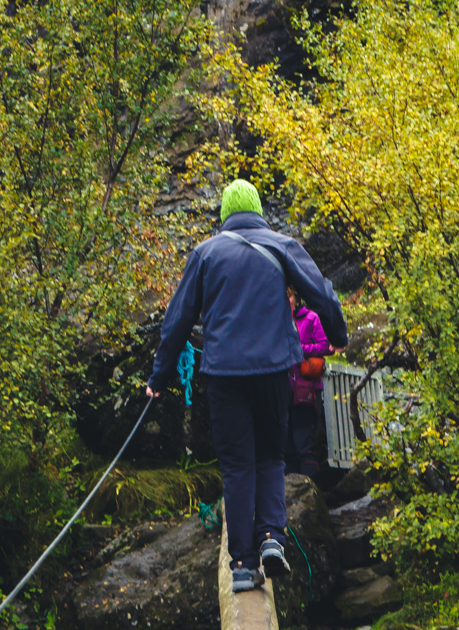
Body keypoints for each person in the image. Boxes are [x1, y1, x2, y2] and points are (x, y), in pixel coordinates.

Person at [147, 180, 347, 593]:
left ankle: (242, 565)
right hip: (274, 370)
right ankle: (272, 537)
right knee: (271, 456)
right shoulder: (282, 246)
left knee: (237, 465)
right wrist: (338, 334)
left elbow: (177, 320)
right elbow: (322, 294)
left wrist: (159, 378)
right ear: (258, 210)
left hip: (225, 374)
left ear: (224, 214)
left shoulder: (205, 254)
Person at [288, 287, 337, 478]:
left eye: (289, 297)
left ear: (297, 297)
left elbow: (326, 346)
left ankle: (309, 489)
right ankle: (290, 492)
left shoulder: (310, 318)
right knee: (286, 447)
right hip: (283, 390)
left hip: (306, 390)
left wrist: (300, 349)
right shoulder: (276, 320)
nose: (286, 301)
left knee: (304, 444)